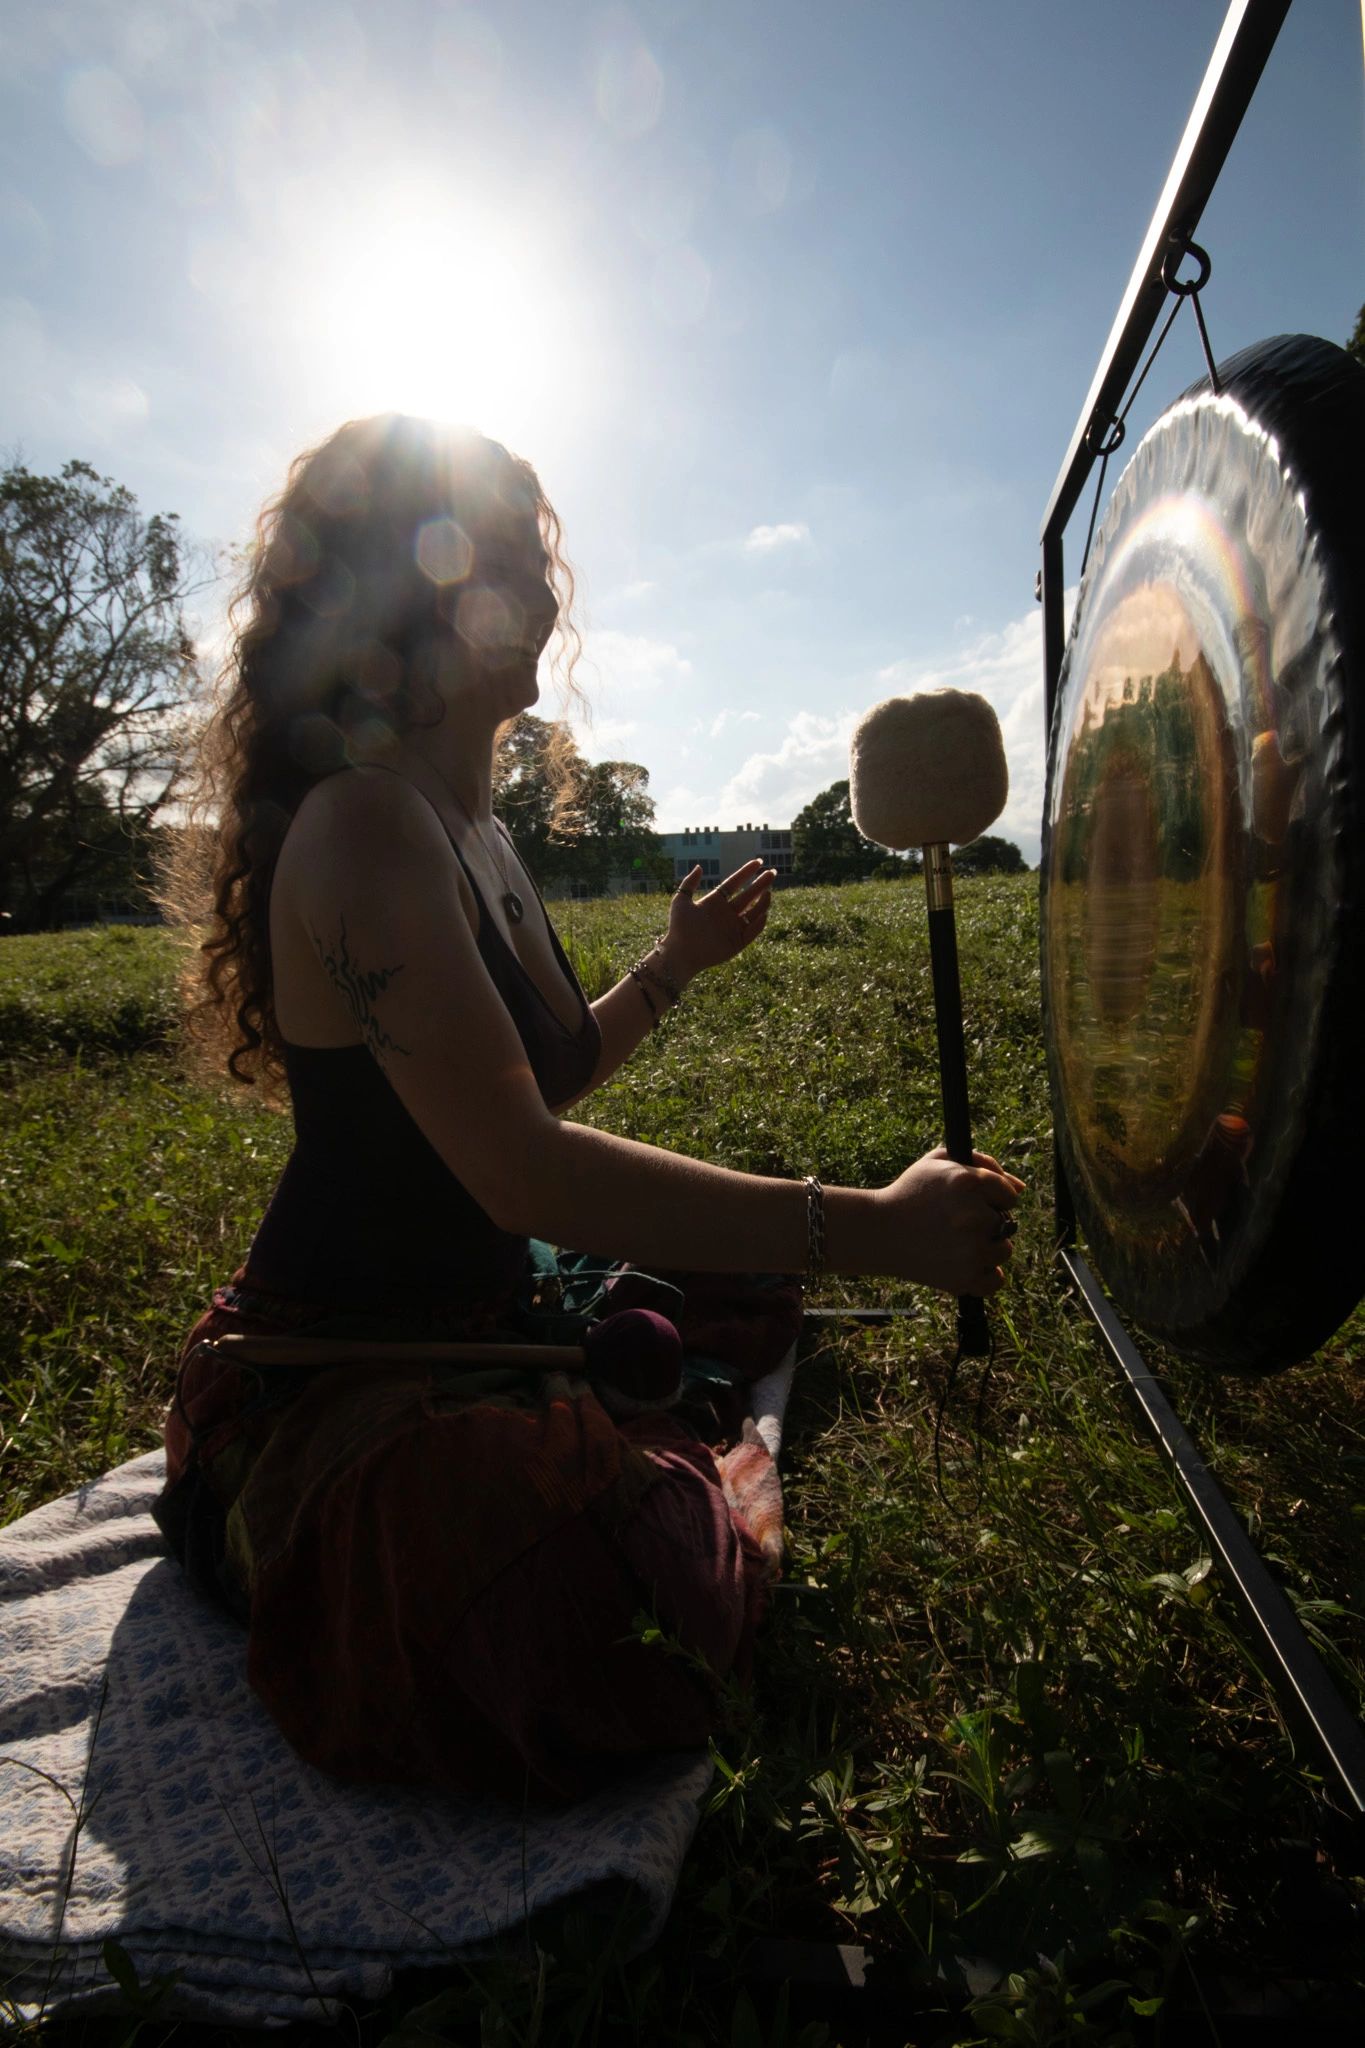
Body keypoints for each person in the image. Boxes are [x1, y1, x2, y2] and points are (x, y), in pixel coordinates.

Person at [156, 413, 1023, 1805]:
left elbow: (531, 1083)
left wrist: (670, 969)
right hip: (332, 1386)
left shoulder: (478, 832)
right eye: (486, 555)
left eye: (529, 553)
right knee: (619, 1606)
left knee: (722, 1295)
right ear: (387, 602)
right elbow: (522, 1170)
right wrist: (878, 1230)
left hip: (481, 1318)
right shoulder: (364, 823)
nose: (542, 591)